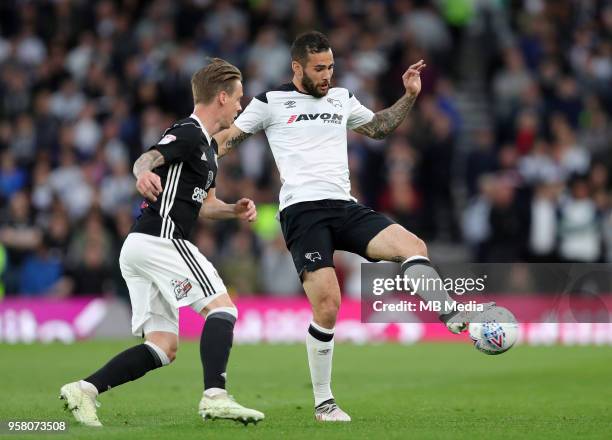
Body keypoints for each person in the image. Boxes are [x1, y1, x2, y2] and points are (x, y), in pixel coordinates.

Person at [215, 31, 492, 422]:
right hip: (302, 211)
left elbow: (378, 127)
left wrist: (410, 95)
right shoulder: (270, 102)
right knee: (328, 305)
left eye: (330, 66)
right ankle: (324, 402)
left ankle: (449, 314)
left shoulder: (341, 98)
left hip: (344, 206)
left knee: (412, 244)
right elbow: (228, 140)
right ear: (297, 67)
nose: (327, 74)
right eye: (319, 68)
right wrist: (195, 150)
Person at [60, 59, 264, 427]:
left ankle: (83, 389)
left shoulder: (208, 149)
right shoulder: (187, 131)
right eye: (238, 98)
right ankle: (215, 396)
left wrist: (234, 210)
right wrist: (141, 174)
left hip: (140, 246)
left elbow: (205, 205)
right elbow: (148, 158)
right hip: (161, 239)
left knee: (163, 346)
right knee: (223, 309)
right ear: (221, 96)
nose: (240, 105)